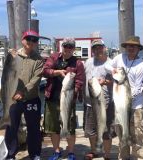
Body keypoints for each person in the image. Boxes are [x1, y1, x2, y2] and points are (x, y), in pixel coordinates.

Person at [105, 36, 143, 159]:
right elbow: (106, 66)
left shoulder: (142, 66)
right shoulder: (119, 58)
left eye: (134, 46)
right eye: (129, 45)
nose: (131, 48)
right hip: (120, 106)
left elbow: (140, 88)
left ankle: (138, 158)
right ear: (125, 47)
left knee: (137, 135)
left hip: (135, 107)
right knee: (121, 133)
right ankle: (123, 157)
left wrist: (126, 97)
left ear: (138, 48)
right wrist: (113, 70)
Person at [43, 37, 85, 160]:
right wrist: (57, 72)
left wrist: (74, 90)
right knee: (53, 127)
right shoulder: (54, 57)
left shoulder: (78, 63)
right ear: (62, 46)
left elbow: (80, 81)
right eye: (65, 46)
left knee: (70, 127)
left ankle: (71, 152)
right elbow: (45, 71)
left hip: (68, 100)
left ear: (73, 49)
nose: (67, 48)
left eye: (70, 46)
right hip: (51, 98)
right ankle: (56, 151)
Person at [5, 30, 44, 160]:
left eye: (35, 40)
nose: (32, 42)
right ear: (23, 40)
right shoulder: (14, 55)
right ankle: (11, 154)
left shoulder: (38, 59)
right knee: (11, 128)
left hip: (31, 98)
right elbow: (6, 75)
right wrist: (9, 56)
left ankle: (35, 154)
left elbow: (36, 79)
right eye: (29, 39)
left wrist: (22, 91)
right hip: (13, 99)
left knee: (34, 128)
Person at [84, 39, 115, 160]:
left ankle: (106, 154)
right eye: (95, 48)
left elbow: (118, 81)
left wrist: (105, 82)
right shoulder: (88, 62)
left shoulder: (111, 63)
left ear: (104, 48)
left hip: (106, 103)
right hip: (89, 102)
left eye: (99, 47)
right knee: (90, 130)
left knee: (106, 130)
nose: (97, 50)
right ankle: (95, 150)